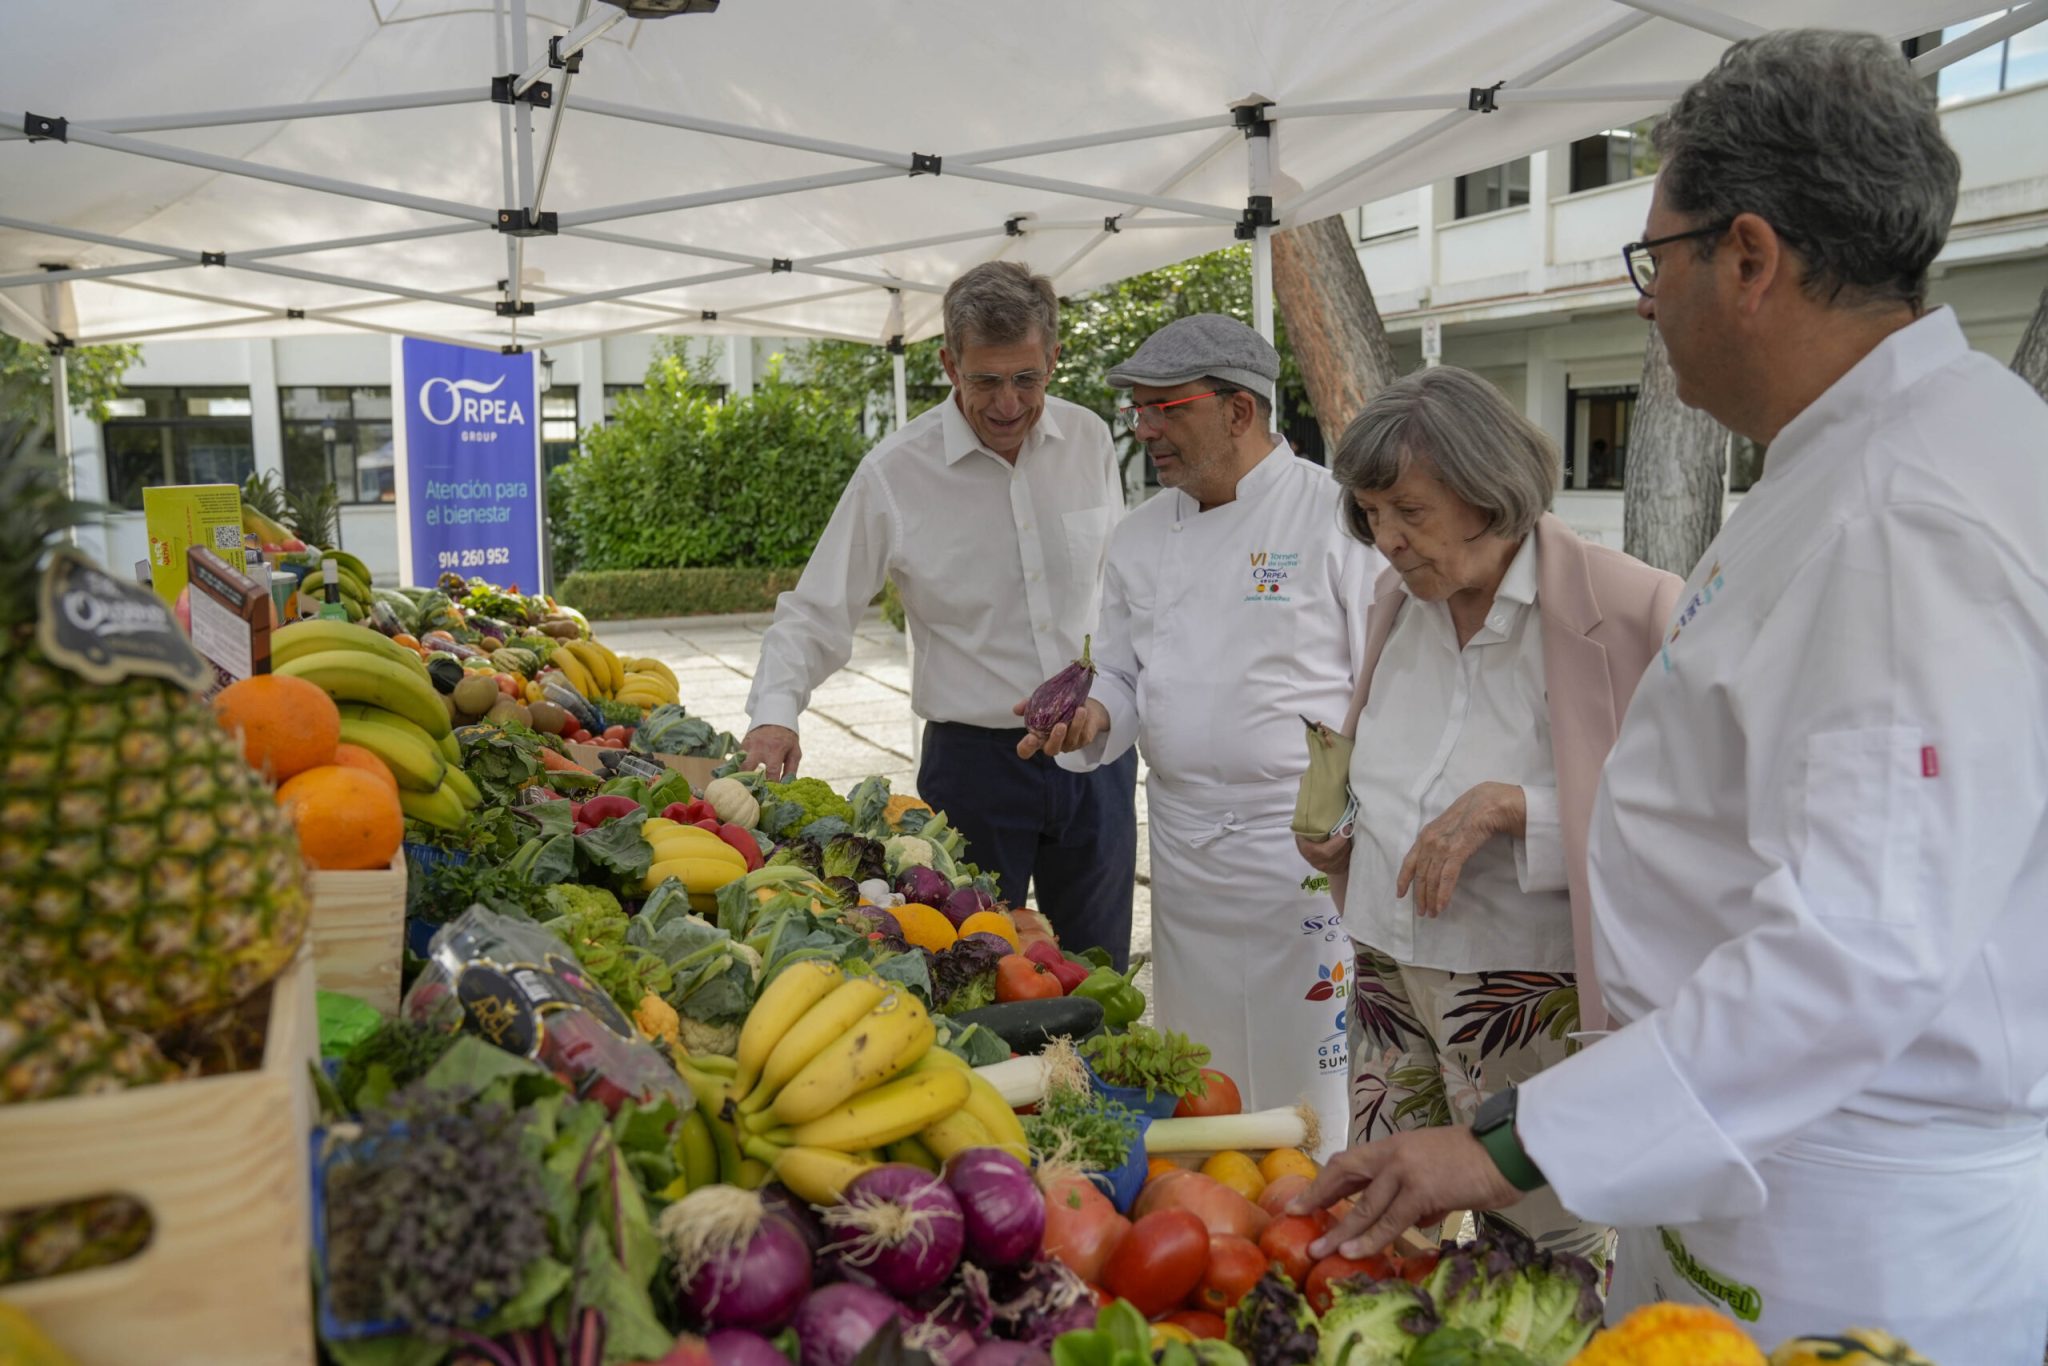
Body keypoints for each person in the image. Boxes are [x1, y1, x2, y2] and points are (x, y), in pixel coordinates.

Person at [1296, 31, 2048, 1360]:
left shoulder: (1904, 509)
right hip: (1736, 1150)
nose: (1644, 299)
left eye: (1658, 257)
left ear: (1750, 256)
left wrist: (1513, 1141)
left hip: (1840, 1208)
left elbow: (1856, 946)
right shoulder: (1855, 460)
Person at [1295, 367, 1678, 1262]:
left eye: (1407, 512)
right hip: (1388, 968)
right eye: (1370, 516)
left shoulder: (1631, 608)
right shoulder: (1401, 601)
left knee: (1535, 1246)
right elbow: (1396, 761)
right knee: (1383, 1222)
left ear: (1488, 494)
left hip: (1521, 991)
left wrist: (1519, 810)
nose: (1384, 540)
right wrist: (1338, 823)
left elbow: (1680, 820)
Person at [1023, 314, 1380, 1144]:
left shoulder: (1337, 519)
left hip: (1305, 850)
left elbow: (1385, 680)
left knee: (1313, 1088)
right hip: (1186, 856)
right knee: (1205, 1079)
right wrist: (1092, 717)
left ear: (1239, 410)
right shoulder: (1141, 537)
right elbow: (1116, 668)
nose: (1144, 429)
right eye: (1137, 410)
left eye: (1164, 408)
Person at [742, 262, 1138, 965]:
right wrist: (775, 713)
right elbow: (817, 609)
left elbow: (1121, 592)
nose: (1009, 403)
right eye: (986, 380)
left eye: (1027, 378)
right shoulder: (895, 473)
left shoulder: (1090, 442)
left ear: (1053, 357)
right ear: (948, 363)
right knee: (974, 978)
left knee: (1097, 971)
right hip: (976, 771)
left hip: (1093, 756)